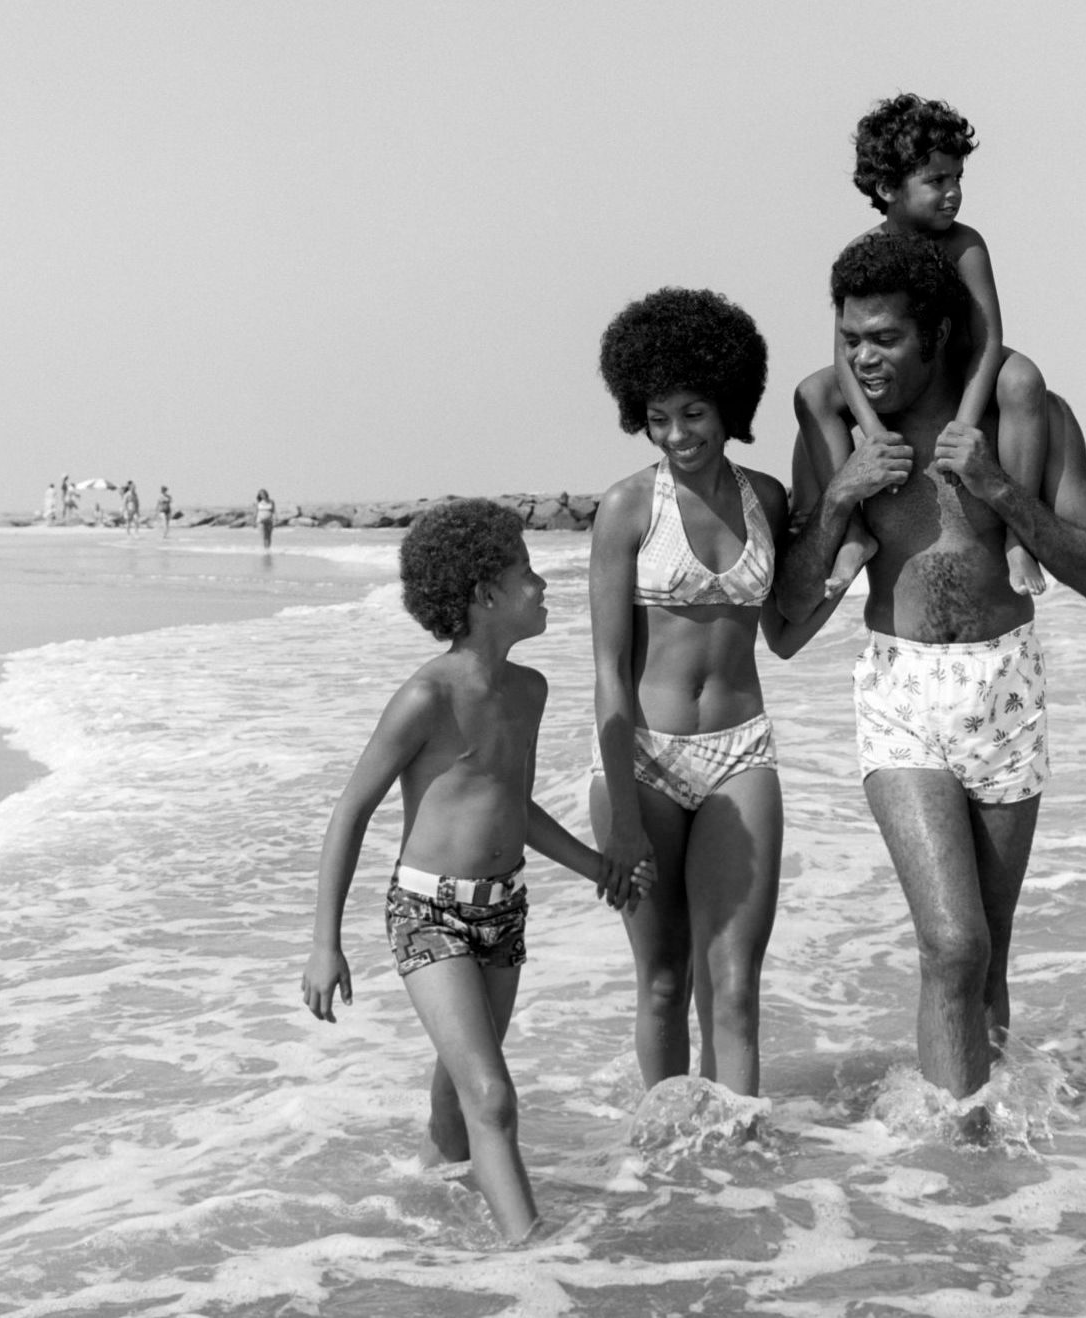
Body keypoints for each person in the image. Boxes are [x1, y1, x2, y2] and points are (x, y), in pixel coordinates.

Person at [779, 233, 1086, 1113]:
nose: (863, 356)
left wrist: (1000, 489)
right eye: (852, 337)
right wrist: (843, 495)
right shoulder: (845, 436)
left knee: (988, 954)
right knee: (952, 943)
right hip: (900, 692)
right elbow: (782, 625)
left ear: (934, 334)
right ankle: (946, 1151)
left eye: (884, 337)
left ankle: (982, 1170)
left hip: (1006, 689)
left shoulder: (1021, 419)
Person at [301, 498, 642, 1243]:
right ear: (485, 595)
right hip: (427, 913)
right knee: (491, 1094)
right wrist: (325, 943)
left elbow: (510, 805)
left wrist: (597, 866)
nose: (542, 581)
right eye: (526, 571)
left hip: (502, 912)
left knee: (459, 1107)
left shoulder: (528, 692)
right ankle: (536, 1257)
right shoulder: (427, 697)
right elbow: (350, 813)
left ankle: (423, 1215)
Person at [589, 287, 836, 1101]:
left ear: (728, 403)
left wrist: (845, 568)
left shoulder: (766, 500)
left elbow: (784, 637)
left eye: (693, 413)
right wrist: (622, 816)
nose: (675, 435)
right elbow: (606, 670)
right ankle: (666, 1157)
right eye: (656, 417)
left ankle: (741, 1152)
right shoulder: (628, 509)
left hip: (742, 752)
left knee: (732, 986)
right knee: (662, 979)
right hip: (645, 760)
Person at [792, 93, 1051, 601]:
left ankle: (1020, 537)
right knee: (812, 393)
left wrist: (966, 425)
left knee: (1024, 380)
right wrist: (872, 434)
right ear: (888, 187)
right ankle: (853, 533)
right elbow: (847, 357)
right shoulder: (862, 255)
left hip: (959, 362)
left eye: (957, 178)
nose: (952, 193)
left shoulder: (965, 245)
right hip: (899, 369)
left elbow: (988, 338)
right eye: (936, 181)